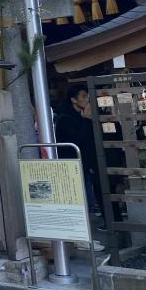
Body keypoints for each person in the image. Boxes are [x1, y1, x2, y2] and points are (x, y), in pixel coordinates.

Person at [54, 85, 104, 222]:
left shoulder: (83, 116)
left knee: (90, 196)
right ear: (73, 100)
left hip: (87, 162)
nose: (87, 99)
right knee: (82, 198)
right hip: (73, 163)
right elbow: (78, 141)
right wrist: (86, 120)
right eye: (83, 96)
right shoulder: (64, 118)